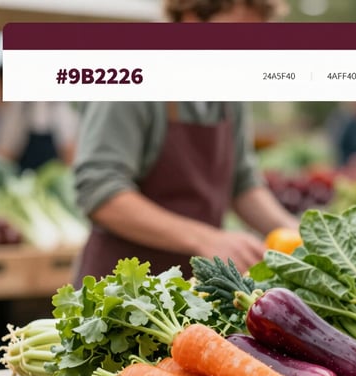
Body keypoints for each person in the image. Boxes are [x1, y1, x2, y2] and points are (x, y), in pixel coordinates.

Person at [73, 0, 296, 280]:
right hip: (122, 292)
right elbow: (100, 193)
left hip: (189, 291)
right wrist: (207, 239)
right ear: (192, 18)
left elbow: (243, 183)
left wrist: (296, 236)